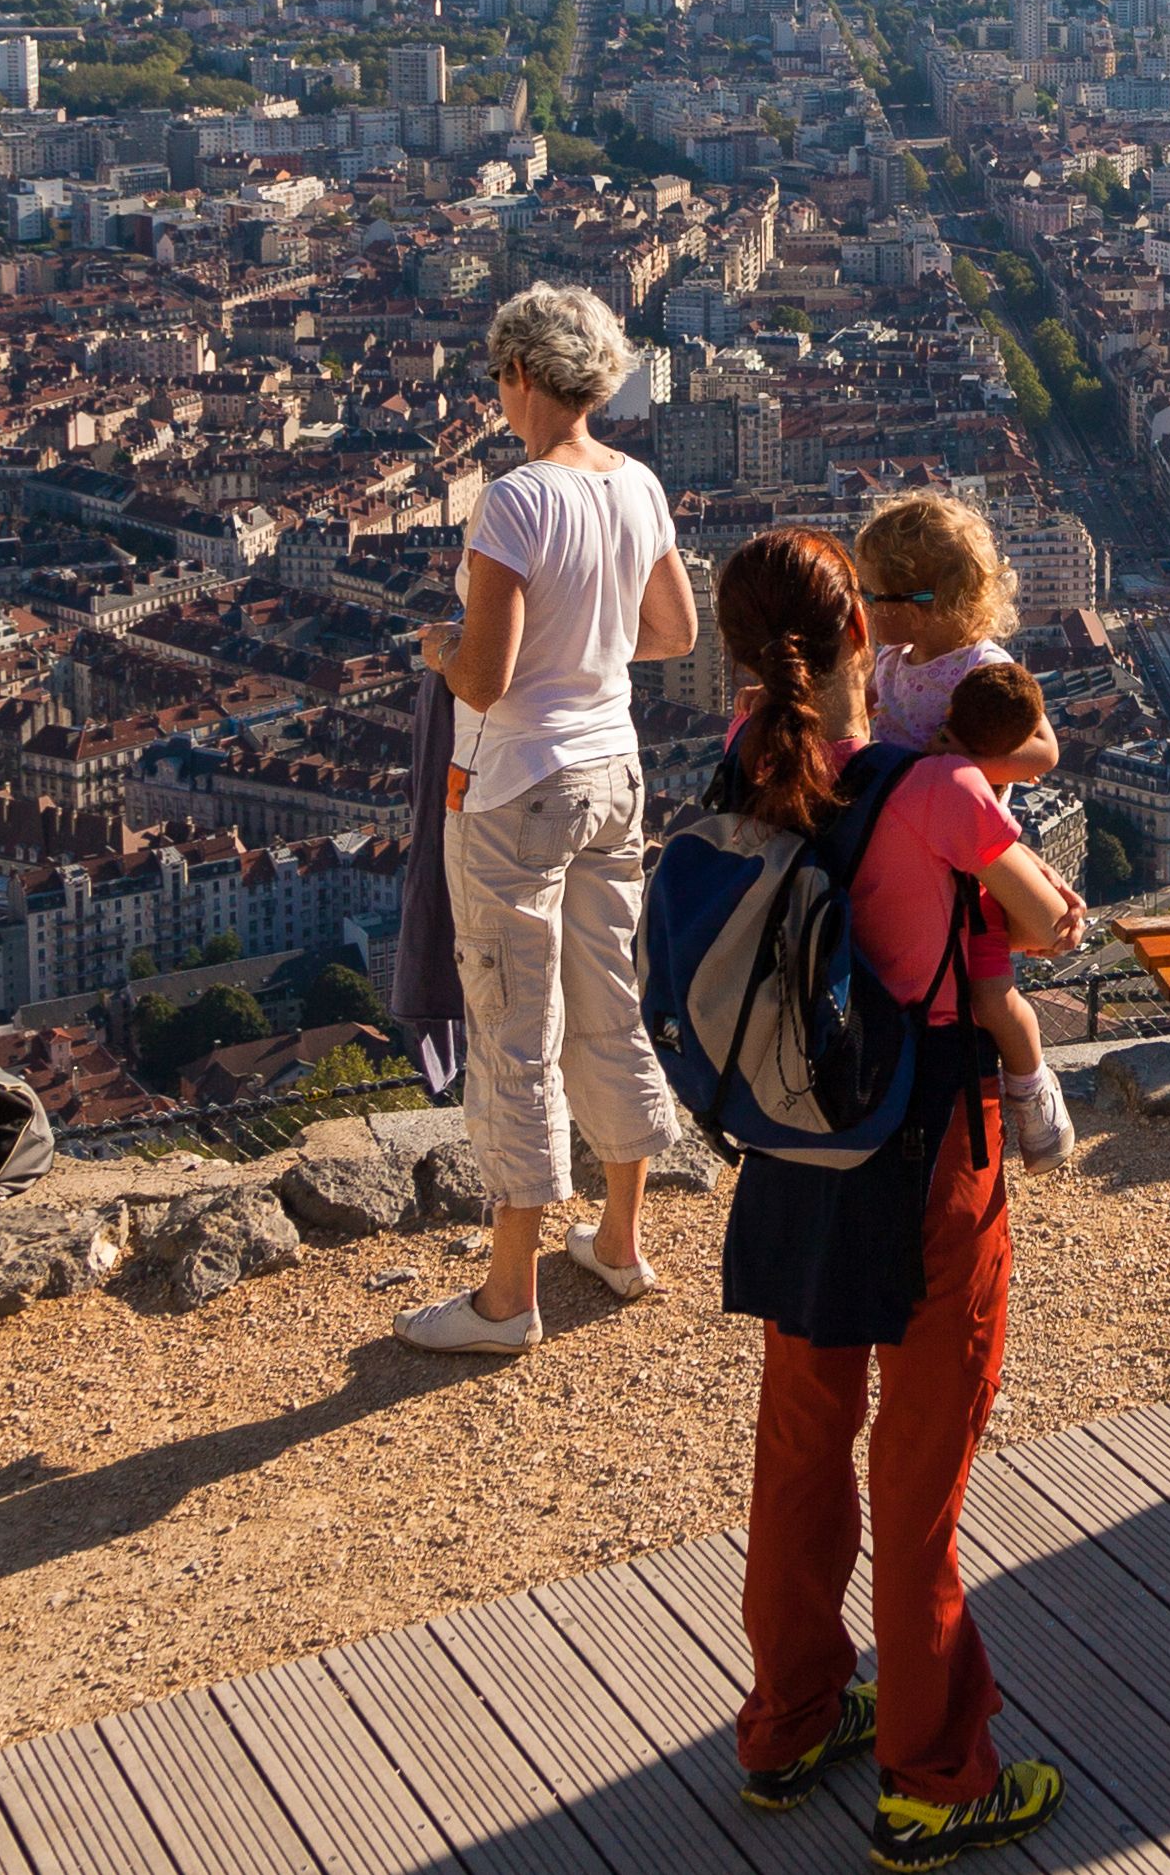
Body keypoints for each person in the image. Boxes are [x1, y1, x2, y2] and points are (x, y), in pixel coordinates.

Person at [707, 528, 1082, 1869]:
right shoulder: (928, 792)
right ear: (864, 634)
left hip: (793, 1161)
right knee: (918, 1480)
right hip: (927, 1148)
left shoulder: (745, 762)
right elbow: (1039, 922)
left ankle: (789, 1716)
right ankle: (933, 1773)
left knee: (799, 1449)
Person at [399, 281, 697, 1359]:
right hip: (614, 768)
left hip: (517, 780)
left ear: (521, 375)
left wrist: (440, 652)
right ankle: (619, 1237)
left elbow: (484, 675)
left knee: (513, 1025)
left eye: (497, 376)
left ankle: (507, 1294)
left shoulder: (515, 500)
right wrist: (594, 649)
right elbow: (672, 629)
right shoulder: (638, 483)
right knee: (609, 996)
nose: (498, 393)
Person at [935, 664, 1081, 1167]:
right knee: (995, 1001)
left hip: (976, 897)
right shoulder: (981, 768)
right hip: (975, 894)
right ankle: (1031, 1096)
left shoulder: (952, 766)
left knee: (994, 998)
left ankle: (1032, 1093)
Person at [859, 494, 1062, 794]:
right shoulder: (893, 658)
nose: (862, 604)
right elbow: (857, 706)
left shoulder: (984, 668)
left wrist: (965, 763)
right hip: (901, 801)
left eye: (870, 594)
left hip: (953, 818)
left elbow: (1045, 753)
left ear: (913, 612)